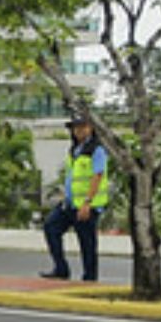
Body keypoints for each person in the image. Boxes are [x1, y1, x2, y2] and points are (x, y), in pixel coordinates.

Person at [40, 113, 107, 282]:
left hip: (87, 204)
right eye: (75, 128)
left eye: (82, 127)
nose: (78, 131)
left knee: (87, 243)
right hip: (70, 203)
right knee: (51, 227)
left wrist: (87, 203)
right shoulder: (74, 150)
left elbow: (97, 176)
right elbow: (72, 176)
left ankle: (90, 277)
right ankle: (61, 268)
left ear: (90, 128)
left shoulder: (96, 149)